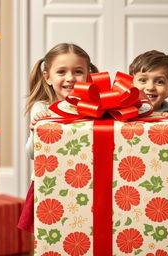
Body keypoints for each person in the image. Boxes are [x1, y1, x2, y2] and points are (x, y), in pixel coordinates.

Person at [18, 43, 99, 233]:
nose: (70, 78)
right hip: (51, 184)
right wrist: (36, 131)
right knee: (53, 235)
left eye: (78, 71)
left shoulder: (96, 107)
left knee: (85, 232)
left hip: (87, 183)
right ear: (47, 77)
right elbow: (32, 153)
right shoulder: (42, 109)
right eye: (61, 72)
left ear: (88, 75)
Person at [129, 50, 168, 255]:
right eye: (143, 79)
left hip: (167, 198)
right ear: (130, 83)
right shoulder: (122, 112)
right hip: (130, 197)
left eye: (159, 81)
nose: (150, 87)